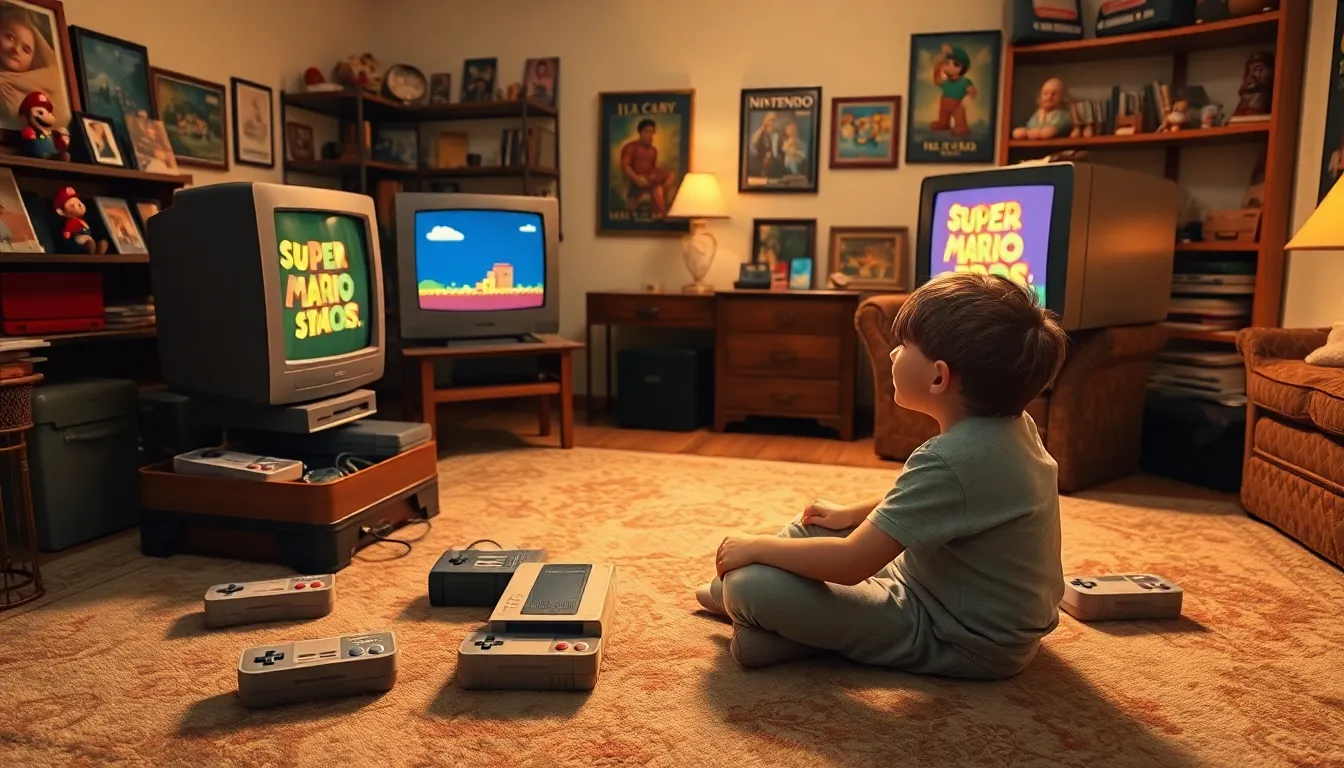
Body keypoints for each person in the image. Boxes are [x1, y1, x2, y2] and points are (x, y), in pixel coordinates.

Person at [697, 272, 1069, 678]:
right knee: (813, 529)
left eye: (904, 346)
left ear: (939, 377)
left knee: (752, 585)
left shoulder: (951, 459)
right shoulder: (1013, 424)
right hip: (941, 586)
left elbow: (851, 563)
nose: (893, 355)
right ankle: (771, 631)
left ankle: (747, 607)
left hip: (961, 637)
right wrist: (851, 513)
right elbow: (948, 500)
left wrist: (754, 548)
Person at [0, 5, 69, 131]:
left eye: (26, 49)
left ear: (33, 59)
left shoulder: (36, 88)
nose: (16, 49)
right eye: (10, 37)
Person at [619, 118, 675, 218]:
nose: (650, 135)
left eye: (652, 132)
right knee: (657, 190)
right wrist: (637, 179)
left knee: (669, 177)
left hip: (649, 179)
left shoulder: (653, 150)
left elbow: (652, 168)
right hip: (635, 181)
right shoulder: (630, 147)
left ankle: (659, 212)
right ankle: (660, 214)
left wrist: (655, 176)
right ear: (640, 132)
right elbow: (625, 166)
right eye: (647, 132)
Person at [930, 43, 976, 137]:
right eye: (947, 63)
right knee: (943, 117)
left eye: (955, 64)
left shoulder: (964, 81)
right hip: (944, 104)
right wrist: (938, 65)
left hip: (958, 105)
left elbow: (972, 91)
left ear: (963, 68)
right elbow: (937, 80)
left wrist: (968, 98)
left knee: (960, 120)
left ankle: (961, 127)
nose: (950, 67)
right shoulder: (946, 82)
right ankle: (944, 124)